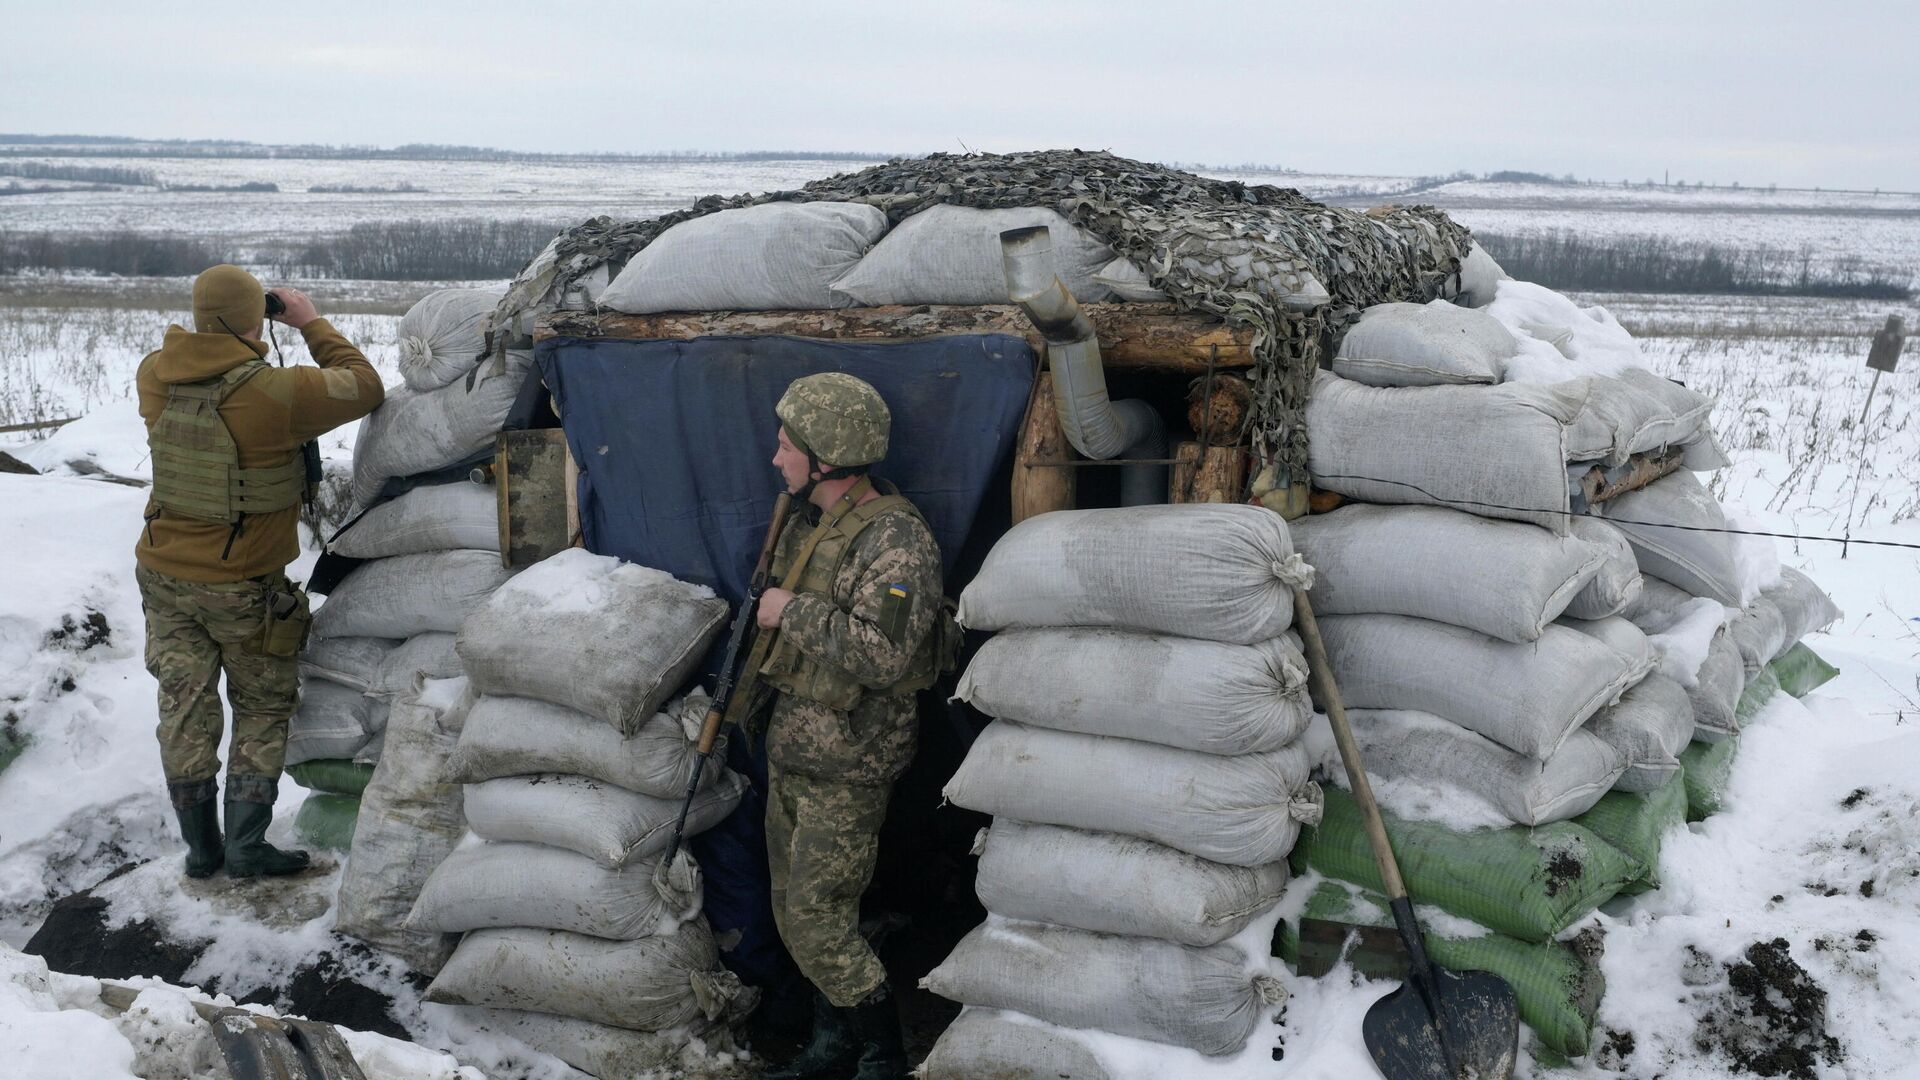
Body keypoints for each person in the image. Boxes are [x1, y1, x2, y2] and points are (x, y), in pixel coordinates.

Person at [135, 265, 384, 879]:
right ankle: (246, 846)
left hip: (163, 577)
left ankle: (201, 849)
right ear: (256, 318)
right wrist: (308, 322)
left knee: (184, 707)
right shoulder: (277, 393)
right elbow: (366, 384)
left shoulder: (153, 374)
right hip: (244, 585)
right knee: (262, 707)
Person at [746, 372, 946, 1080]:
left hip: (851, 763)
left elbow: (884, 654)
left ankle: (883, 1054)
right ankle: (833, 1049)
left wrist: (786, 612)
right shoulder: (811, 523)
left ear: (825, 454)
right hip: (798, 751)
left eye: (786, 444)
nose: (776, 458)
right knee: (792, 913)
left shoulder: (897, 543)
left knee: (817, 920)